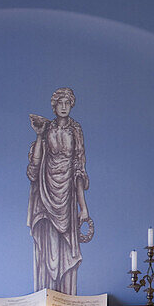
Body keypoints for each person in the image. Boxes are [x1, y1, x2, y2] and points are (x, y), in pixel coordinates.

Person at [27, 87, 90, 294]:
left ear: (71, 105)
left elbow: (79, 169)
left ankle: (65, 296)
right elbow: (35, 168)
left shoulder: (76, 130)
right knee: (48, 246)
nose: (64, 107)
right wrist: (38, 136)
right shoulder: (46, 129)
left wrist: (83, 208)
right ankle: (46, 294)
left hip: (67, 196)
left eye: (67, 102)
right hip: (46, 193)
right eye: (60, 103)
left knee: (66, 248)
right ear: (54, 106)